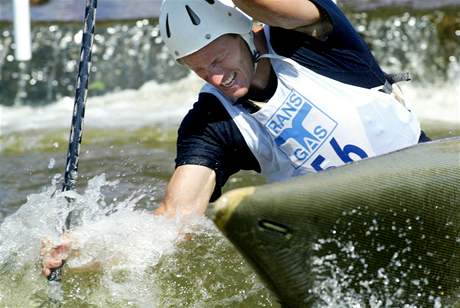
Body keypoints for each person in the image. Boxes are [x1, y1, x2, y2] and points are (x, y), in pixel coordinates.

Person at [42, 0, 426, 277]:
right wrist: (87, 247)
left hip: (422, 179)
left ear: (247, 30)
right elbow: (175, 220)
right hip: (346, 235)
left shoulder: (310, 39)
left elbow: (266, 5)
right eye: (198, 69)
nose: (214, 77)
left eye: (218, 58)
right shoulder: (211, 121)